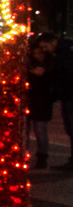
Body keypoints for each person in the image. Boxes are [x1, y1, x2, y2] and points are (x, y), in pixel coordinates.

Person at [25, 33, 60, 168]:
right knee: (27, 130)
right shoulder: (28, 66)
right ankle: (26, 155)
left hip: (43, 101)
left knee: (40, 130)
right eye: (36, 53)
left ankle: (42, 157)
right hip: (31, 100)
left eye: (41, 53)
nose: (39, 56)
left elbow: (55, 82)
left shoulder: (51, 65)